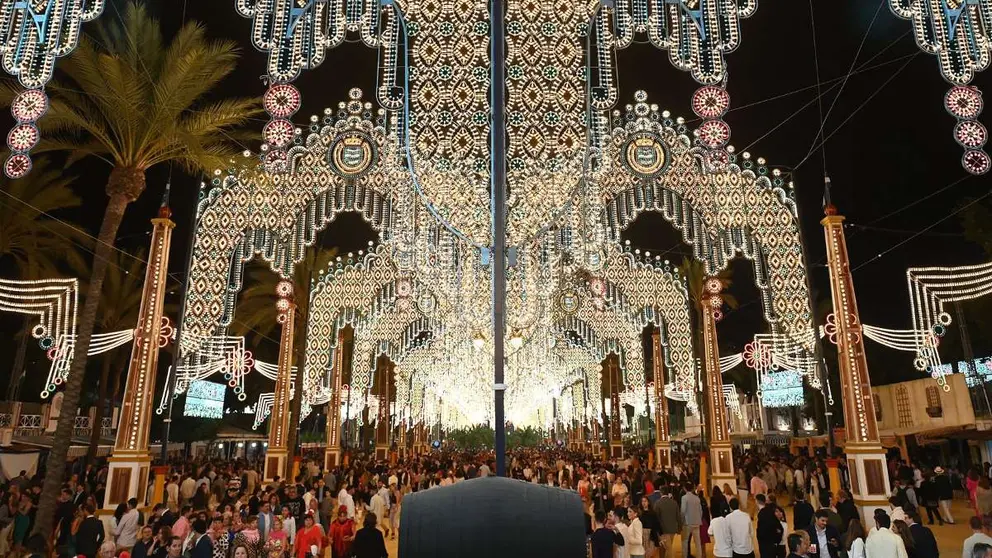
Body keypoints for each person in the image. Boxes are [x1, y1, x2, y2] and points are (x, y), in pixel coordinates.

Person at [652, 487, 680, 558]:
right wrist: (679, 528)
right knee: (667, 547)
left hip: (663, 529)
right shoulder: (674, 502)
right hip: (673, 529)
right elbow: (678, 516)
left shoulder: (658, 503)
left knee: (667, 548)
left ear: (661, 492)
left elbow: (655, 517)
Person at [681, 482, 703, 558]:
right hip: (697, 522)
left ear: (685, 488)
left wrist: (681, 521)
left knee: (685, 542)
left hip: (687, 523)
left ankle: (685, 556)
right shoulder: (697, 498)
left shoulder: (684, 498)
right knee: (698, 543)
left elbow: (683, 511)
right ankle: (699, 556)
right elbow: (700, 511)